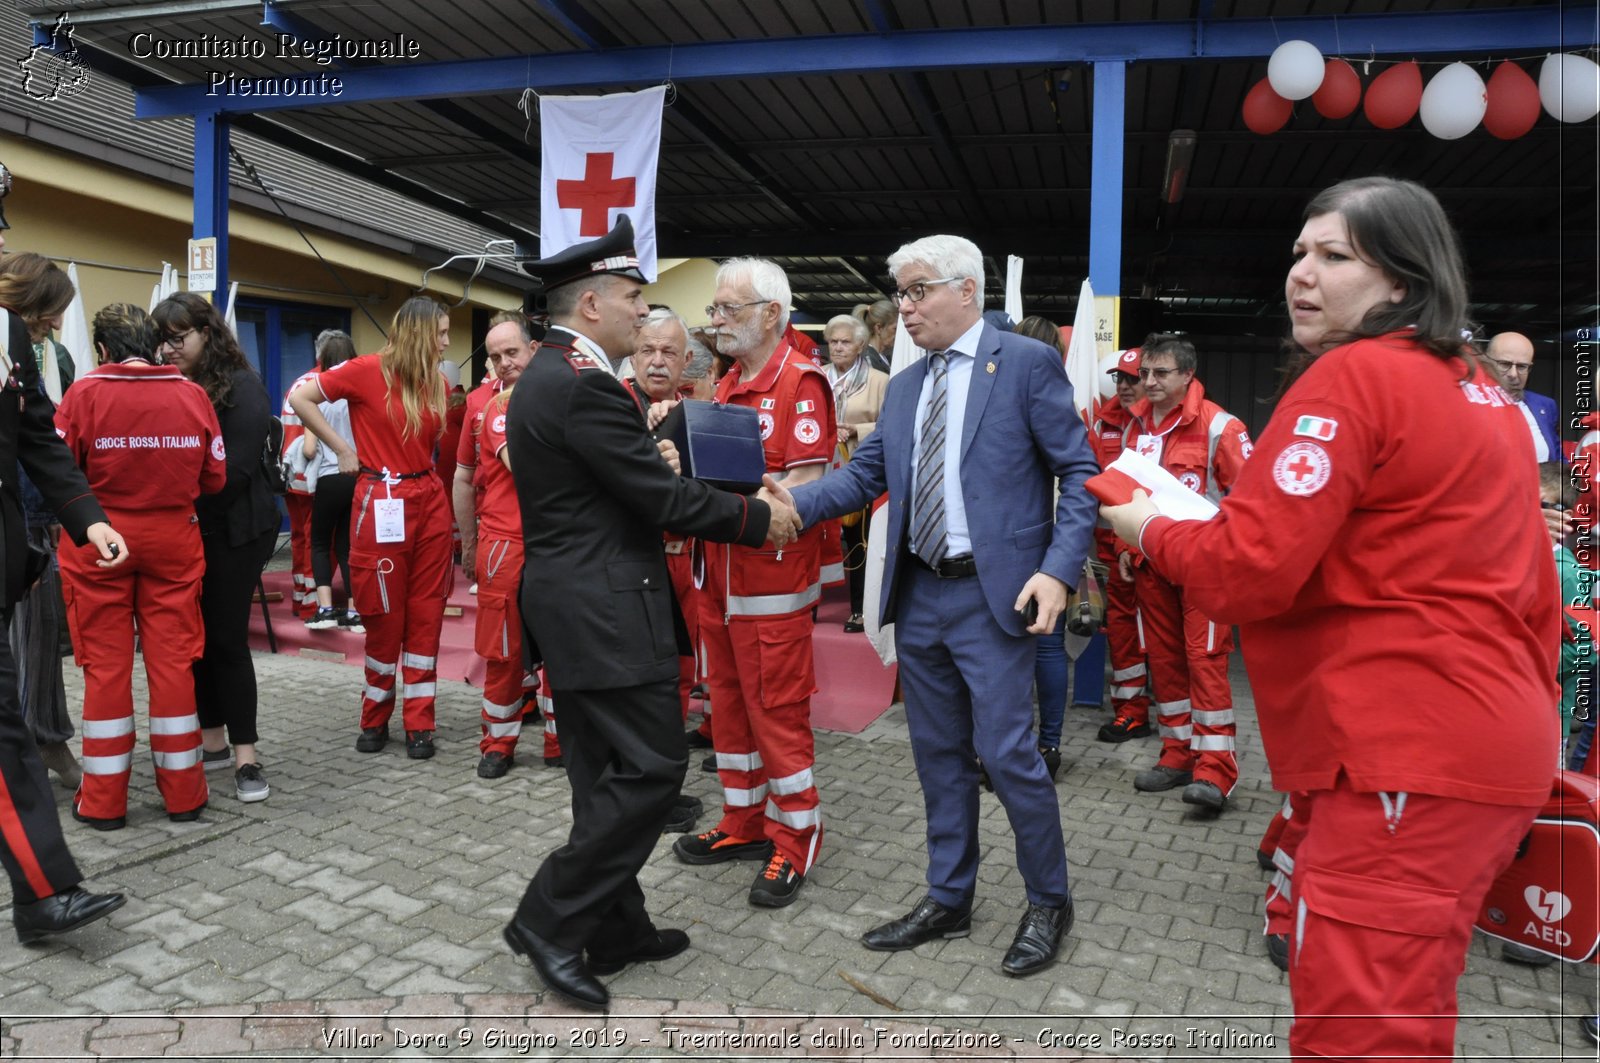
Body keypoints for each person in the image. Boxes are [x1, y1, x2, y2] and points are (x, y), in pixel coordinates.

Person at [1102, 176, 1558, 1059]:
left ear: (1402, 279)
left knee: (1355, 1029)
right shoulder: (1488, 400)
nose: (1300, 274)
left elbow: (1242, 571)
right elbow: (1531, 585)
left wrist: (1148, 525)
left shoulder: (1352, 376)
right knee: (1410, 1011)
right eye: (1300, 253)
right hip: (1489, 749)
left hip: (1406, 757)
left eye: (1335, 255)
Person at [778, 233, 1100, 977]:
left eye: (918, 290)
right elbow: (864, 476)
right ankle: (949, 895)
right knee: (938, 758)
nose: (905, 306)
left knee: (1010, 755)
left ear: (967, 291)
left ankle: (1049, 899)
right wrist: (789, 504)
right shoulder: (908, 381)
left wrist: (1058, 569)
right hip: (920, 592)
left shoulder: (1023, 363)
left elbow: (1080, 471)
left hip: (994, 596)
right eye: (901, 293)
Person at [501, 216, 799, 1011]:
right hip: (602, 605)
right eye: (634, 297)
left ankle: (618, 927)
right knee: (656, 769)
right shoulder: (583, 383)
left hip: (573, 600)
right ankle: (548, 919)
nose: (646, 311)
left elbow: (616, 480)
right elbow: (658, 498)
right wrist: (754, 518)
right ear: (593, 304)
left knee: (603, 775)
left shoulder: (551, 375)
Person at [668, 257, 834, 911]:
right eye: (714, 309)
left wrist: (733, 504)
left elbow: (810, 486)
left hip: (770, 587)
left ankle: (795, 837)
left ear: (772, 312)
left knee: (777, 717)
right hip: (719, 582)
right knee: (730, 712)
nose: (717, 321)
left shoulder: (801, 381)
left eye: (727, 308)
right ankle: (744, 821)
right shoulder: (727, 382)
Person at [0, 174, 131, 944]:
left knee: (7, 729)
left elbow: (41, 438)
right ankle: (43, 894)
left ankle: (44, 894)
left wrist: (88, 520)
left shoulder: (10, 335)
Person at [54, 303, 225, 826]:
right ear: (153, 343)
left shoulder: (83, 394)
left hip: (99, 542)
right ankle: (185, 796)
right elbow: (215, 478)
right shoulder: (192, 395)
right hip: (174, 539)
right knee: (173, 664)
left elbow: (59, 473)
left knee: (106, 669)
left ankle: (103, 803)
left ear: (102, 350)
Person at [288, 297, 455, 760]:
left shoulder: (436, 382)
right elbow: (300, 397)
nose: (446, 342)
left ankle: (420, 721)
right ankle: (375, 717)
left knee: (427, 611)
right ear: (419, 333)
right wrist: (341, 447)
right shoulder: (365, 369)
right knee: (382, 613)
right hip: (382, 498)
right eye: (440, 333)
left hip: (428, 501)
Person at [154, 293, 280, 803]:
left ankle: (247, 755)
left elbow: (233, 475)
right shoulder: (172, 385)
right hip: (191, 528)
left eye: (178, 338)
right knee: (196, 641)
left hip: (236, 530)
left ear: (207, 333)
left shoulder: (244, 387)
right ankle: (212, 741)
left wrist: (172, 496)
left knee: (226, 640)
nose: (168, 349)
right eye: (162, 340)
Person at [1118, 333, 1251, 812]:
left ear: (1188, 375)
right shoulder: (1137, 429)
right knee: (1167, 662)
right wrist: (1125, 549)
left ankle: (1216, 771)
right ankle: (1177, 755)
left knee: (1206, 663)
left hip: (1205, 571)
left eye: (1160, 373)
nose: (1147, 383)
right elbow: (1128, 494)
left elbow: (1249, 501)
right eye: (1144, 373)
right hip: (1152, 564)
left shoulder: (1222, 427)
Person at [0, 252, 82, 788]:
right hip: (17, 515)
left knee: (42, 639)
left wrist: (67, 515)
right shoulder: (10, 339)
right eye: (50, 311)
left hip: (35, 517)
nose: (56, 321)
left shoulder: (59, 357)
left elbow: (46, 437)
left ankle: (45, 738)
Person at [453, 315, 535, 779]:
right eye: (496, 355)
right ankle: (497, 743)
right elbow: (463, 477)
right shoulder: (484, 405)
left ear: (534, 349)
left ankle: (559, 741)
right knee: (502, 651)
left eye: (513, 353)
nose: (505, 363)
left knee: (562, 645)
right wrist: (468, 542)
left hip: (554, 542)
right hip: (503, 541)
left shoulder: (560, 392)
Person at [1092, 349, 1154, 745]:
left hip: (1154, 548)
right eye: (1120, 378)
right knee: (1122, 633)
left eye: (1132, 378)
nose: (1125, 386)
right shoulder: (1103, 422)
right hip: (1111, 552)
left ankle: (1178, 720)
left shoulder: (1165, 423)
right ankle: (1131, 712)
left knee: (1167, 638)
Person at [823, 314, 889, 634]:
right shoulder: (817, 376)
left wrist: (855, 430)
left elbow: (890, 427)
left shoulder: (879, 381)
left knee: (857, 541)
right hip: (821, 469)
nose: (837, 347)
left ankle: (859, 609)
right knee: (815, 537)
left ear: (861, 344)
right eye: (833, 341)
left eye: (845, 341)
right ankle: (810, 605)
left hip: (859, 470)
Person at [301, 330, 361, 632]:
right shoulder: (358, 397)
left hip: (328, 476)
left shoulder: (317, 399)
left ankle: (324, 609)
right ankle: (354, 611)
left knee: (320, 542)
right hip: (357, 477)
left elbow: (310, 448)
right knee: (349, 545)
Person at [1486, 331, 1560, 462]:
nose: (1513, 374)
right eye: (1504, 364)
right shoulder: (1467, 404)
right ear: (1485, 362)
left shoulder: (1545, 406)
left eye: (1521, 367)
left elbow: (1558, 457)